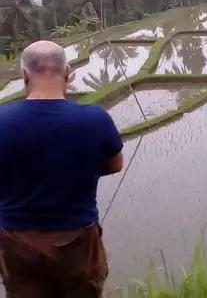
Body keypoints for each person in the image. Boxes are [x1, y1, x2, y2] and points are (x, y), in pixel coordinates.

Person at [0, 40, 124, 297]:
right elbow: (115, 165)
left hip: (16, 240)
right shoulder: (94, 119)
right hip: (77, 239)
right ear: (67, 72)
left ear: (24, 76)